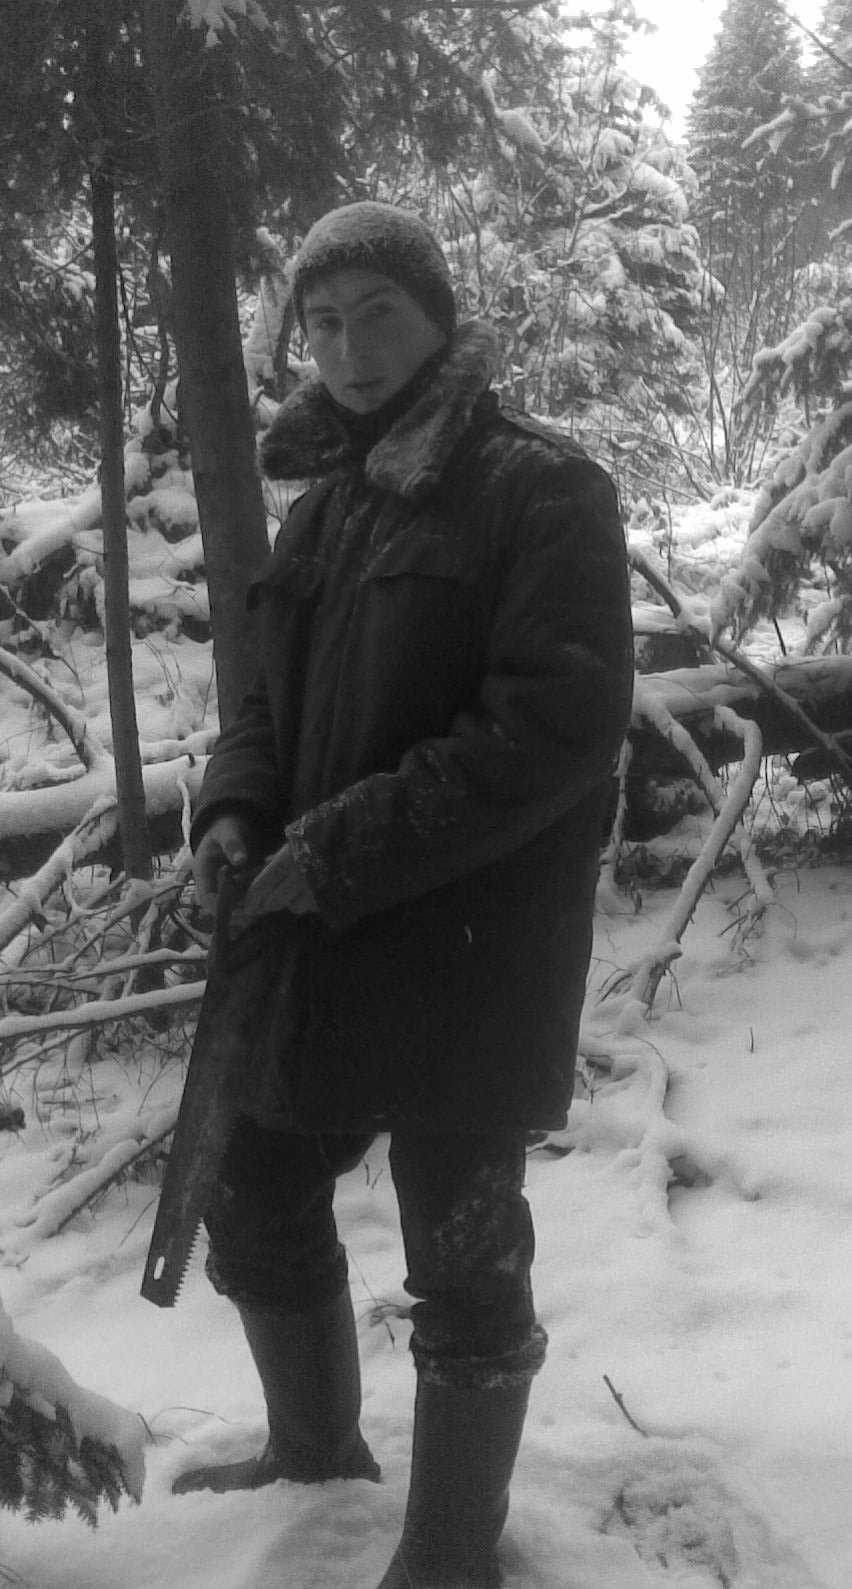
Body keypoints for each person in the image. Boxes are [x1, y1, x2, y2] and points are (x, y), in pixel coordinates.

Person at [175, 200, 634, 1589]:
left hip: (469, 947)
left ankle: (450, 1551)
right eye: (322, 323)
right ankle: (315, 1452)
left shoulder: (541, 488)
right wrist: (235, 812)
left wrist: (340, 848)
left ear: (436, 318)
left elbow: (552, 726)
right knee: (252, 1182)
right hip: (322, 937)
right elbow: (263, 703)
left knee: (463, 1246)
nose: (349, 348)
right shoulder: (329, 504)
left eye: (377, 314)